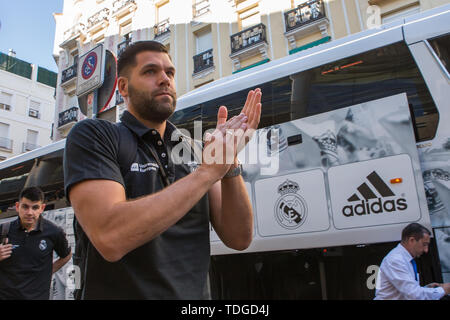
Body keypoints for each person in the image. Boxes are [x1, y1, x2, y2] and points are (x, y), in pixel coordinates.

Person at [63, 41, 262, 299]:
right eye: (150, 72)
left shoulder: (196, 150)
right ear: (123, 86)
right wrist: (208, 172)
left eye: (169, 73)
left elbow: (239, 238)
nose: (164, 80)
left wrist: (229, 162)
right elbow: (110, 237)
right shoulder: (95, 135)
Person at [0, 187, 72, 300]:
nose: (29, 212)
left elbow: (66, 255)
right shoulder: (3, 230)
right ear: (17, 206)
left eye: (35, 207)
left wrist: (47, 272)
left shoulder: (54, 231)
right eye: (25, 207)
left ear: (42, 208)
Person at [374, 223, 450, 300]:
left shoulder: (404, 259)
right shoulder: (396, 260)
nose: (426, 250)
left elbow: (408, 293)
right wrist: (444, 290)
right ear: (412, 240)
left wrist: (426, 288)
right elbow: (414, 295)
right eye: (424, 244)